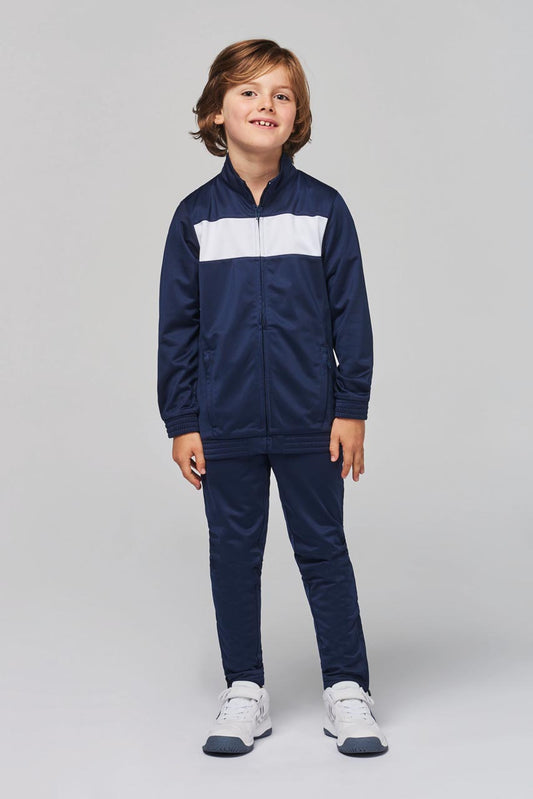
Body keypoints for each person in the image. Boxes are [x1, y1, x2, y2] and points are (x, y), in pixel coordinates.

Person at [157, 38, 389, 757]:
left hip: (310, 419)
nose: (266, 105)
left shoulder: (324, 209)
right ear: (215, 113)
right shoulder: (195, 218)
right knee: (233, 554)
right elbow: (177, 326)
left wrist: (350, 408)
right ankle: (244, 690)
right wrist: (182, 419)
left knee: (323, 550)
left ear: (297, 116)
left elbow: (352, 316)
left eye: (281, 94)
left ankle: (347, 689)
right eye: (249, 92)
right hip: (222, 422)